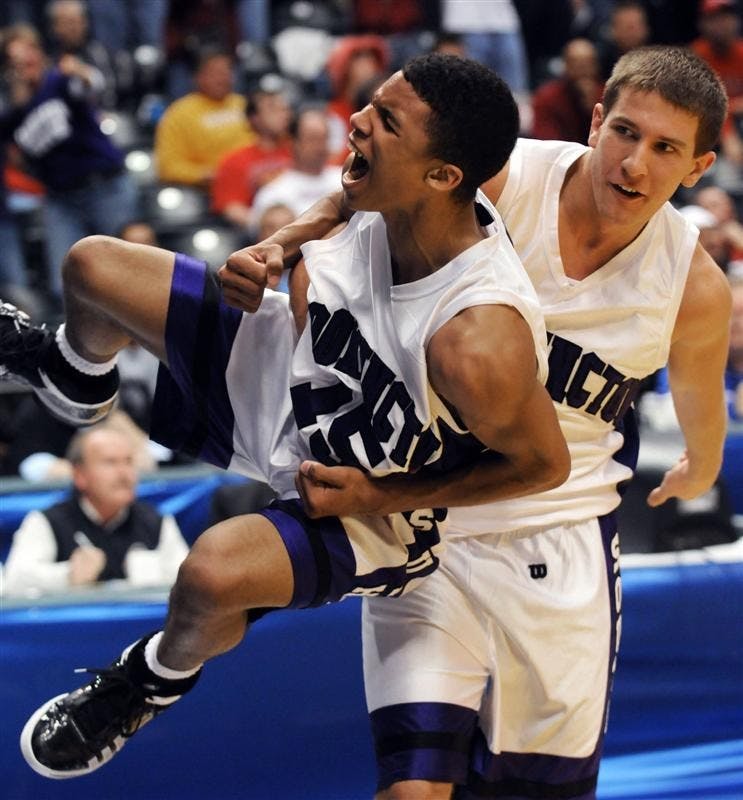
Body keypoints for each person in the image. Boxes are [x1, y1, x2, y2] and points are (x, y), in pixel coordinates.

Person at [1, 54, 570, 781]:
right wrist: (279, 244)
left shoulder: (476, 339)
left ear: (441, 176)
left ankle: (151, 679)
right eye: (371, 102)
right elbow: (340, 200)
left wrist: (379, 497)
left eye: (384, 121)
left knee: (209, 574)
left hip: (364, 494)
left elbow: (541, 466)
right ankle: (76, 377)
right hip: (283, 367)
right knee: (93, 267)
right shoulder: (395, 186)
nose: (357, 120)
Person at [225, 45, 732, 799]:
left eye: (663, 149)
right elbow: (370, 190)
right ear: (595, 122)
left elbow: (699, 393)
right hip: (427, 511)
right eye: (624, 132)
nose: (633, 162)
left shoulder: (693, 287)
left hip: (558, 534)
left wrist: (703, 462)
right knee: (410, 787)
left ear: (697, 167)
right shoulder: (505, 173)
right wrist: (284, 241)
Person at [0, 24, 138, 303]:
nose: (27, 66)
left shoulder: (59, 81)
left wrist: (81, 72)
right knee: (65, 284)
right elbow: (17, 158)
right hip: (61, 200)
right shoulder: (12, 116)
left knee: (126, 273)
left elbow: (88, 84)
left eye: (30, 56)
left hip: (104, 185)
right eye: (17, 63)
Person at [3, 424, 188, 595]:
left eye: (129, 462)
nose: (125, 474)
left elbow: (188, 583)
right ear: (79, 475)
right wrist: (67, 575)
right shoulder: (48, 521)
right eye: (110, 462)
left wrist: (150, 577)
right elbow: (14, 582)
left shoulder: (155, 520)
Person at [154, 47, 253, 188]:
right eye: (215, 73)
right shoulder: (178, 113)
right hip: (207, 188)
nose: (223, 78)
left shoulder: (244, 105)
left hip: (253, 181)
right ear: (197, 77)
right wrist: (205, 174)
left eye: (227, 72)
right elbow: (168, 167)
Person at [210, 81, 293, 230]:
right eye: (273, 109)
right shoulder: (234, 161)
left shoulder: (298, 151)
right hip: (260, 233)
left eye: (285, 109)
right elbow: (231, 208)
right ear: (254, 118)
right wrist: (268, 225)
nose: (283, 114)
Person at [249, 106, 342, 226]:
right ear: (294, 142)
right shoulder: (272, 192)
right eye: (313, 139)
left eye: (325, 138)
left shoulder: (347, 180)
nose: (321, 146)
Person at [531, 38, 603, 144]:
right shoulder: (547, 97)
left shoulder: (607, 95)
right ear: (566, 65)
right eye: (577, 64)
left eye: (588, 63)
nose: (583, 70)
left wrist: (591, 108)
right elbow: (545, 140)